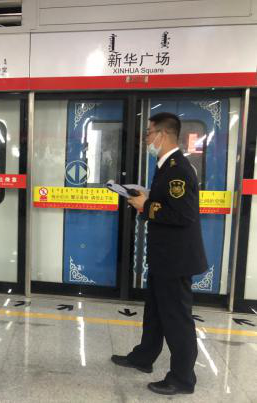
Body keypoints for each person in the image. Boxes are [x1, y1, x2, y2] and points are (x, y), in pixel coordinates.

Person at [111, 112, 207, 395]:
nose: (146, 139)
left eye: (149, 133)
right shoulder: (165, 165)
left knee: (177, 319)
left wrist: (146, 206)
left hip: (176, 259)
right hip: (164, 256)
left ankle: (182, 379)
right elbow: (167, 204)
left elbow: (183, 215)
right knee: (154, 312)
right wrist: (146, 198)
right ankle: (144, 357)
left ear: (163, 135)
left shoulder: (178, 169)